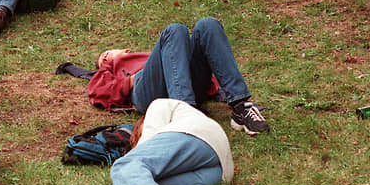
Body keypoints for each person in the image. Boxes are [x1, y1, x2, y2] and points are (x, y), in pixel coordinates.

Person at [87, 18, 270, 136]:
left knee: (207, 25)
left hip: (185, 85)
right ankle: (185, 116)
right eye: (102, 59)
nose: (104, 58)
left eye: (107, 53)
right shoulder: (111, 68)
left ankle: (241, 107)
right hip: (147, 92)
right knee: (174, 30)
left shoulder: (157, 53)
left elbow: (210, 79)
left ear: (125, 51)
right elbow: (97, 92)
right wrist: (131, 80)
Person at [109, 98, 233, 185]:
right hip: (219, 172)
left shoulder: (158, 105)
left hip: (195, 133)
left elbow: (144, 144)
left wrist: (135, 157)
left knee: (125, 164)